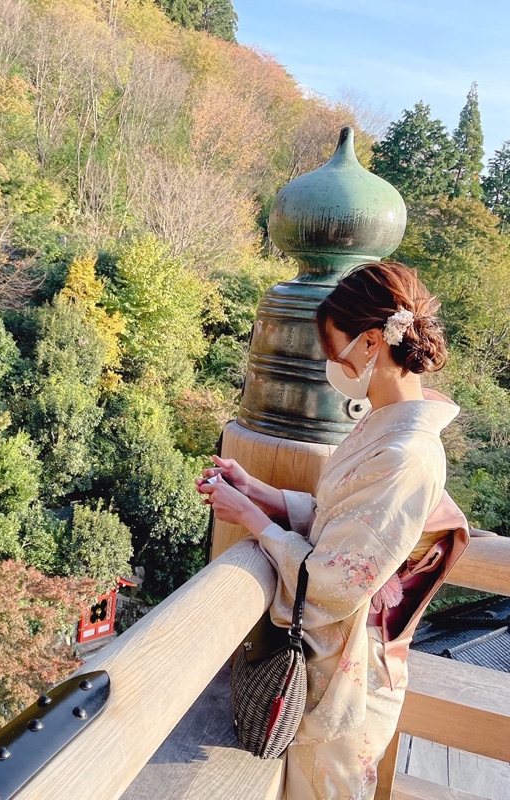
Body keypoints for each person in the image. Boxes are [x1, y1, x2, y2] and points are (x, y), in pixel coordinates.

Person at [197, 262, 469, 800]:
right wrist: (262, 493)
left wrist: (252, 520)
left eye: (333, 349)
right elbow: (341, 518)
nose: (331, 364)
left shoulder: (407, 455)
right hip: (336, 660)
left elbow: (334, 581)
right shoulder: (385, 425)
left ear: (371, 342)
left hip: (352, 676)